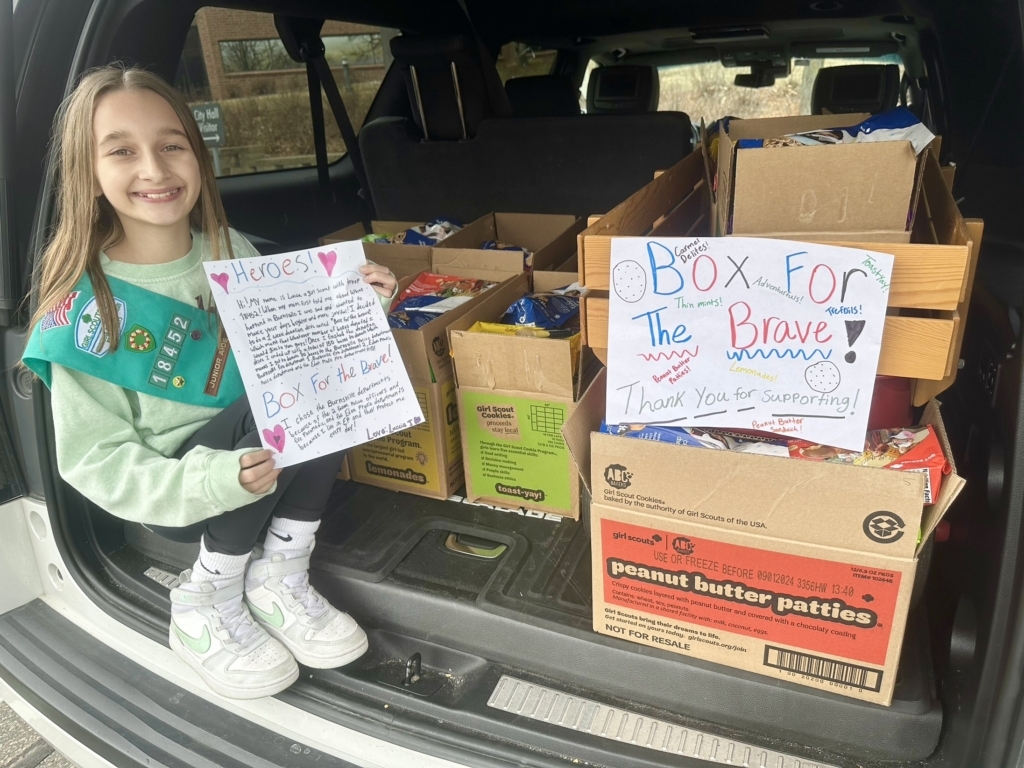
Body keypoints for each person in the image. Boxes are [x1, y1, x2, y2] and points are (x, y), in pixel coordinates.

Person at [21, 65, 397, 700]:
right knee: (273, 407)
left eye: (171, 144)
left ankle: (279, 572)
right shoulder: (87, 308)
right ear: (87, 172)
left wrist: (358, 308)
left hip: (264, 464)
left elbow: (296, 349)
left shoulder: (229, 248)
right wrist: (210, 480)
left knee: (319, 386)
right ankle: (206, 597)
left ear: (197, 154)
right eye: (122, 151)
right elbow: (94, 459)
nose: (154, 169)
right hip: (179, 489)